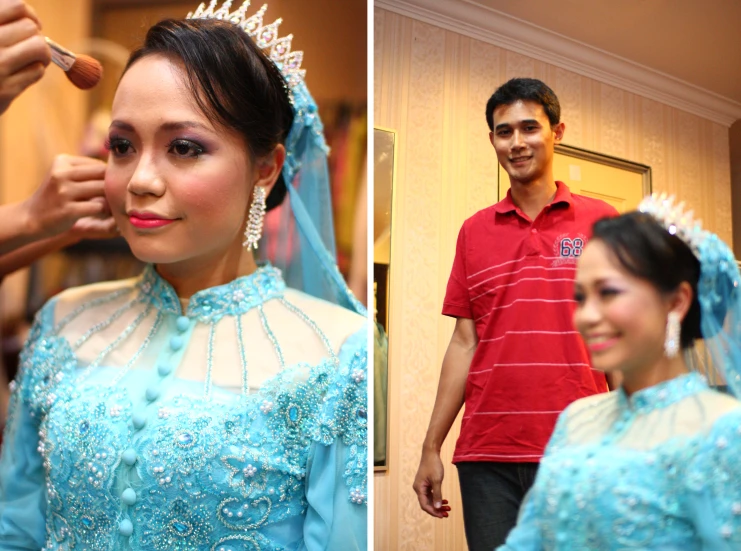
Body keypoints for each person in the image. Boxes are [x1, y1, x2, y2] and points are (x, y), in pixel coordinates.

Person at [0, 2, 368, 549]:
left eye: (184, 148)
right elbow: (17, 526)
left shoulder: (341, 353)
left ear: (265, 168)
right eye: (122, 146)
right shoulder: (62, 320)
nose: (140, 179)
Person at [412, 77, 618, 550]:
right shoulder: (473, 232)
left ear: (557, 131)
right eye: (504, 132)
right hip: (487, 455)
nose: (517, 142)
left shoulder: (603, 223)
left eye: (530, 127)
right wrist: (430, 447)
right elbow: (465, 343)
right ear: (492, 141)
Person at [498, 195, 741, 550]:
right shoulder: (576, 418)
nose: (587, 316)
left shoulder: (722, 431)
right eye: (581, 297)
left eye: (608, 293)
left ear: (676, 302)